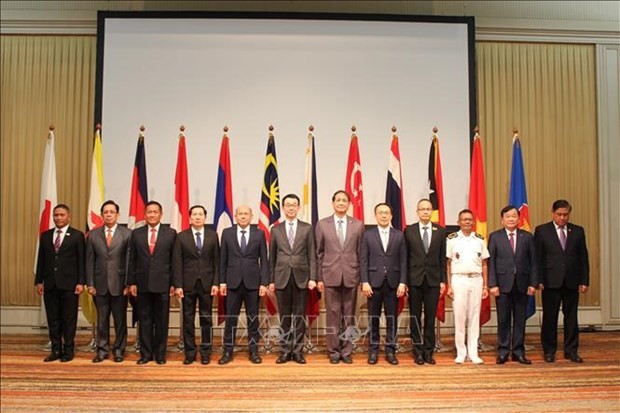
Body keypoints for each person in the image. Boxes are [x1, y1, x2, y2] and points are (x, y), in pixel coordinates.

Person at [535, 199, 589, 363]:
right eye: (559, 214)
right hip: (550, 281)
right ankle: (549, 350)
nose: (562, 218)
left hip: (572, 281)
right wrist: (539, 280)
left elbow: (583, 258)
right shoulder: (542, 231)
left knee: (571, 317)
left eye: (566, 214)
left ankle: (571, 350)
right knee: (550, 317)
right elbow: (537, 258)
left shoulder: (577, 231)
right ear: (553, 213)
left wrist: (584, 280)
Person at [315, 190, 364, 364]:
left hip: (351, 275)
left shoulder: (358, 225)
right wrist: (319, 277)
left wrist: (361, 278)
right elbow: (318, 253)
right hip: (330, 275)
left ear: (349, 204)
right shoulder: (322, 224)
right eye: (338, 200)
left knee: (349, 316)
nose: (341, 203)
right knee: (333, 315)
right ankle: (333, 351)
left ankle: (347, 350)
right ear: (333, 203)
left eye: (345, 200)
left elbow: (360, 253)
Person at [268, 194, 317, 364]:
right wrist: (271, 280)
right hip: (281, 278)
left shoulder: (307, 228)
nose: (290, 207)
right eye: (287, 205)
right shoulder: (275, 229)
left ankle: (297, 351)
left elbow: (312, 255)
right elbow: (271, 257)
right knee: (284, 318)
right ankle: (284, 350)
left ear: (298, 207)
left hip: (302, 278)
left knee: (299, 317)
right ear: (283, 207)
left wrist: (313, 277)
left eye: (294, 205)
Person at [218, 205, 269, 365]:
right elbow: (222, 259)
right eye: (240, 214)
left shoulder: (259, 234)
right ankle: (227, 351)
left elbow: (264, 260)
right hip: (232, 282)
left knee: (252, 319)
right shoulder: (227, 233)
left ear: (251, 216)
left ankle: (254, 351)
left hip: (253, 283)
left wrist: (264, 283)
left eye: (246, 214)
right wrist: (222, 281)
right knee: (231, 318)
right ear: (235, 216)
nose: (243, 216)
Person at [127, 201, 176, 365]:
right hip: (142, 283)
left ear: (161, 214)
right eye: (149, 212)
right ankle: (146, 354)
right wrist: (131, 282)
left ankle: (160, 354)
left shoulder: (170, 233)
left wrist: (174, 283)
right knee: (145, 320)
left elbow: (174, 261)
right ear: (145, 214)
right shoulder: (136, 233)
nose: (152, 215)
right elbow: (131, 259)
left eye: (155, 212)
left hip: (163, 284)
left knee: (162, 321)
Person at [488, 205, 538, 365]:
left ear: (519, 218)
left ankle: (518, 351)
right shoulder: (495, 237)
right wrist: (492, 284)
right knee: (503, 319)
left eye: (514, 216)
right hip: (502, 286)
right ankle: (503, 351)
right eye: (507, 216)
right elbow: (491, 263)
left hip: (522, 284)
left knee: (519, 320)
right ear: (502, 219)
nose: (511, 219)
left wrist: (533, 283)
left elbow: (534, 262)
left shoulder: (527, 236)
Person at [35, 204, 85, 362]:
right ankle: (55, 349)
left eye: (62, 215)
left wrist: (81, 282)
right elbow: (41, 260)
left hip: (70, 285)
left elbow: (81, 261)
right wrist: (39, 281)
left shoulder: (77, 235)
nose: (58, 218)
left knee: (69, 318)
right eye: (56, 215)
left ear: (68, 216)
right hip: (50, 284)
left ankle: (68, 350)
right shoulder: (45, 235)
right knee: (53, 318)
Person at [86, 200, 132, 363]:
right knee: (102, 320)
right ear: (102, 215)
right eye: (106, 212)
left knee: (120, 321)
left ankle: (119, 350)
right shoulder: (93, 234)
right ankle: (102, 350)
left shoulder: (127, 233)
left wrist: (128, 283)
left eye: (112, 212)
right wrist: (90, 283)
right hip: (100, 285)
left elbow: (129, 261)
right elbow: (89, 261)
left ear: (117, 214)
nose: (109, 214)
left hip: (120, 285)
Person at [360, 203, 407, 365]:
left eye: (387, 213)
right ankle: (373, 351)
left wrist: (402, 282)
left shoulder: (399, 235)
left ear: (391, 216)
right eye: (380, 213)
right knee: (373, 318)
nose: (384, 215)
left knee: (391, 318)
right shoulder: (368, 235)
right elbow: (363, 260)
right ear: (375, 216)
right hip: (373, 284)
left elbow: (403, 261)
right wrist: (364, 281)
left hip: (393, 284)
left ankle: (390, 350)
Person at [172, 205, 219, 365]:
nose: (198, 217)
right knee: (188, 319)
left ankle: (206, 352)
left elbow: (216, 262)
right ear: (190, 218)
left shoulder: (213, 236)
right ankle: (190, 352)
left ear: (205, 217)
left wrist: (215, 283)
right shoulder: (181, 237)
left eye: (201, 214)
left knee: (206, 318)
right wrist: (178, 285)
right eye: (195, 214)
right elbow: (177, 262)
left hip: (206, 284)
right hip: (187, 284)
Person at [404, 198, 447, 365]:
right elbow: (405, 258)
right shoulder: (409, 231)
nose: (425, 212)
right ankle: (417, 352)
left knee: (430, 318)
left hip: (433, 281)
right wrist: (405, 281)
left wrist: (443, 280)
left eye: (428, 209)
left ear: (432, 212)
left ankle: (429, 351)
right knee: (415, 317)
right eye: (422, 209)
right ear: (417, 212)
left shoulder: (441, 231)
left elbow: (442, 258)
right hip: (414, 280)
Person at [446, 209, 489, 364]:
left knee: (474, 316)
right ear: (459, 222)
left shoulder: (479, 239)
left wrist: (485, 286)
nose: (467, 222)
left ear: (473, 222)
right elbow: (448, 264)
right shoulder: (451, 239)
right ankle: (461, 352)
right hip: (459, 280)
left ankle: (473, 352)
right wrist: (449, 285)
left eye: (470, 219)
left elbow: (484, 264)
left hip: (476, 280)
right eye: (464, 219)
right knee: (459, 316)